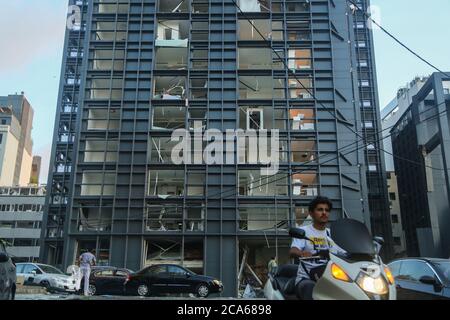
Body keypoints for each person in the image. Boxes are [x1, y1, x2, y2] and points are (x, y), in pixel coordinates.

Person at [289, 196, 343, 300]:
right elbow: (293, 250)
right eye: (320, 209)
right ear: (311, 213)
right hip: (307, 278)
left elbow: (343, 252)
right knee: (310, 288)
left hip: (330, 277)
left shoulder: (332, 234)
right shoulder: (304, 231)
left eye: (327, 210)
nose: (324, 213)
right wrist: (301, 253)